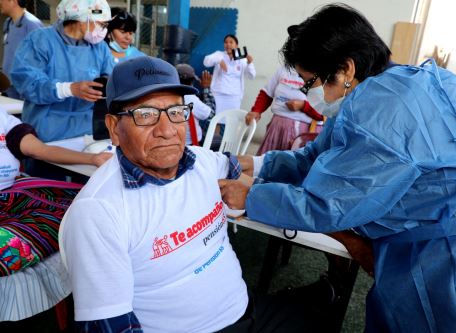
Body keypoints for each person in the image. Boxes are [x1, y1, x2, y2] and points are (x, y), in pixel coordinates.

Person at [219, 4, 456, 332]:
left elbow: (328, 203)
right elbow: (316, 158)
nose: (312, 93)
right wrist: (256, 162)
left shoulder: (384, 112)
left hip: (452, 260)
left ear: (345, 69)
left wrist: (252, 196)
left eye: (312, 82)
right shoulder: (387, 88)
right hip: (440, 240)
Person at [59, 56, 329, 333]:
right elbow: (111, 326)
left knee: (321, 318)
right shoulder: (99, 212)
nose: (167, 131)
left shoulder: (200, 161)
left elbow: (243, 170)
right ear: (114, 128)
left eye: (176, 111)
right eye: (146, 114)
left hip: (245, 309)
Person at [0, 108, 111, 275]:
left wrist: (93, 159)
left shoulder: (3, 119)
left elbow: (39, 150)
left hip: (13, 195)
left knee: (83, 214)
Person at [10, 0, 114, 143]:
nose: (104, 30)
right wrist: (69, 89)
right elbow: (28, 82)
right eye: (101, 24)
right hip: (47, 131)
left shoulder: (100, 48)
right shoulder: (40, 40)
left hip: (89, 130)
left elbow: (112, 80)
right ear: (81, 19)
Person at [246, 65, 324, 155]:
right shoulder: (284, 69)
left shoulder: (322, 74)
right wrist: (256, 110)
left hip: (303, 134)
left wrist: (303, 106)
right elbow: (267, 93)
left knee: (292, 166)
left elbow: (326, 114)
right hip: (276, 130)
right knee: (268, 164)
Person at [203, 34, 256, 134]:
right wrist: (219, 60)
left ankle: (228, 145)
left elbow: (251, 76)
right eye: (226, 42)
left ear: (236, 45)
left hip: (234, 97)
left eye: (231, 42)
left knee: (231, 123)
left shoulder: (242, 58)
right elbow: (206, 62)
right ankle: (214, 144)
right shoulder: (219, 54)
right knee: (215, 121)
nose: (228, 44)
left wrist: (250, 63)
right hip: (218, 95)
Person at [0, 0, 43, 98]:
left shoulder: (32, 24)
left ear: (14, 1)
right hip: (8, 86)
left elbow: (41, 58)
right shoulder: (7, 23)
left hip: (23, 87)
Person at [175, 63, 213, 145]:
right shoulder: (190, 98)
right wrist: (206, 88)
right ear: (192, 82)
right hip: (190, 143)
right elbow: (210, 114)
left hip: (173, 139)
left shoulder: (168, 95)